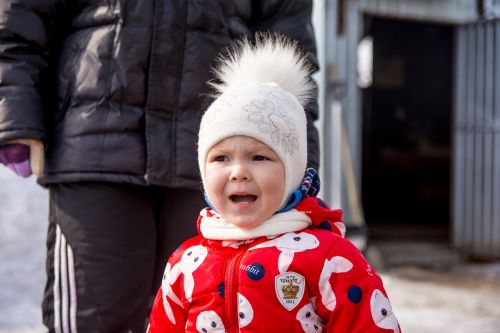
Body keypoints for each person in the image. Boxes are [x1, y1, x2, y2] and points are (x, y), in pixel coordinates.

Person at [0, 1, 320, 332]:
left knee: (211, 314)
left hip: (219, 154)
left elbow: (287, 38)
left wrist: (299, 162)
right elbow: (22, 18)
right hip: (95, 140)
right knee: (95, 318)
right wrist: (14, 104)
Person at [147, 35, 401, 333]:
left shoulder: (330, 258)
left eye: (258, 157)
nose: (238, 172)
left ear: (291, 172)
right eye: (221, 158)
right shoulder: (186, 263)